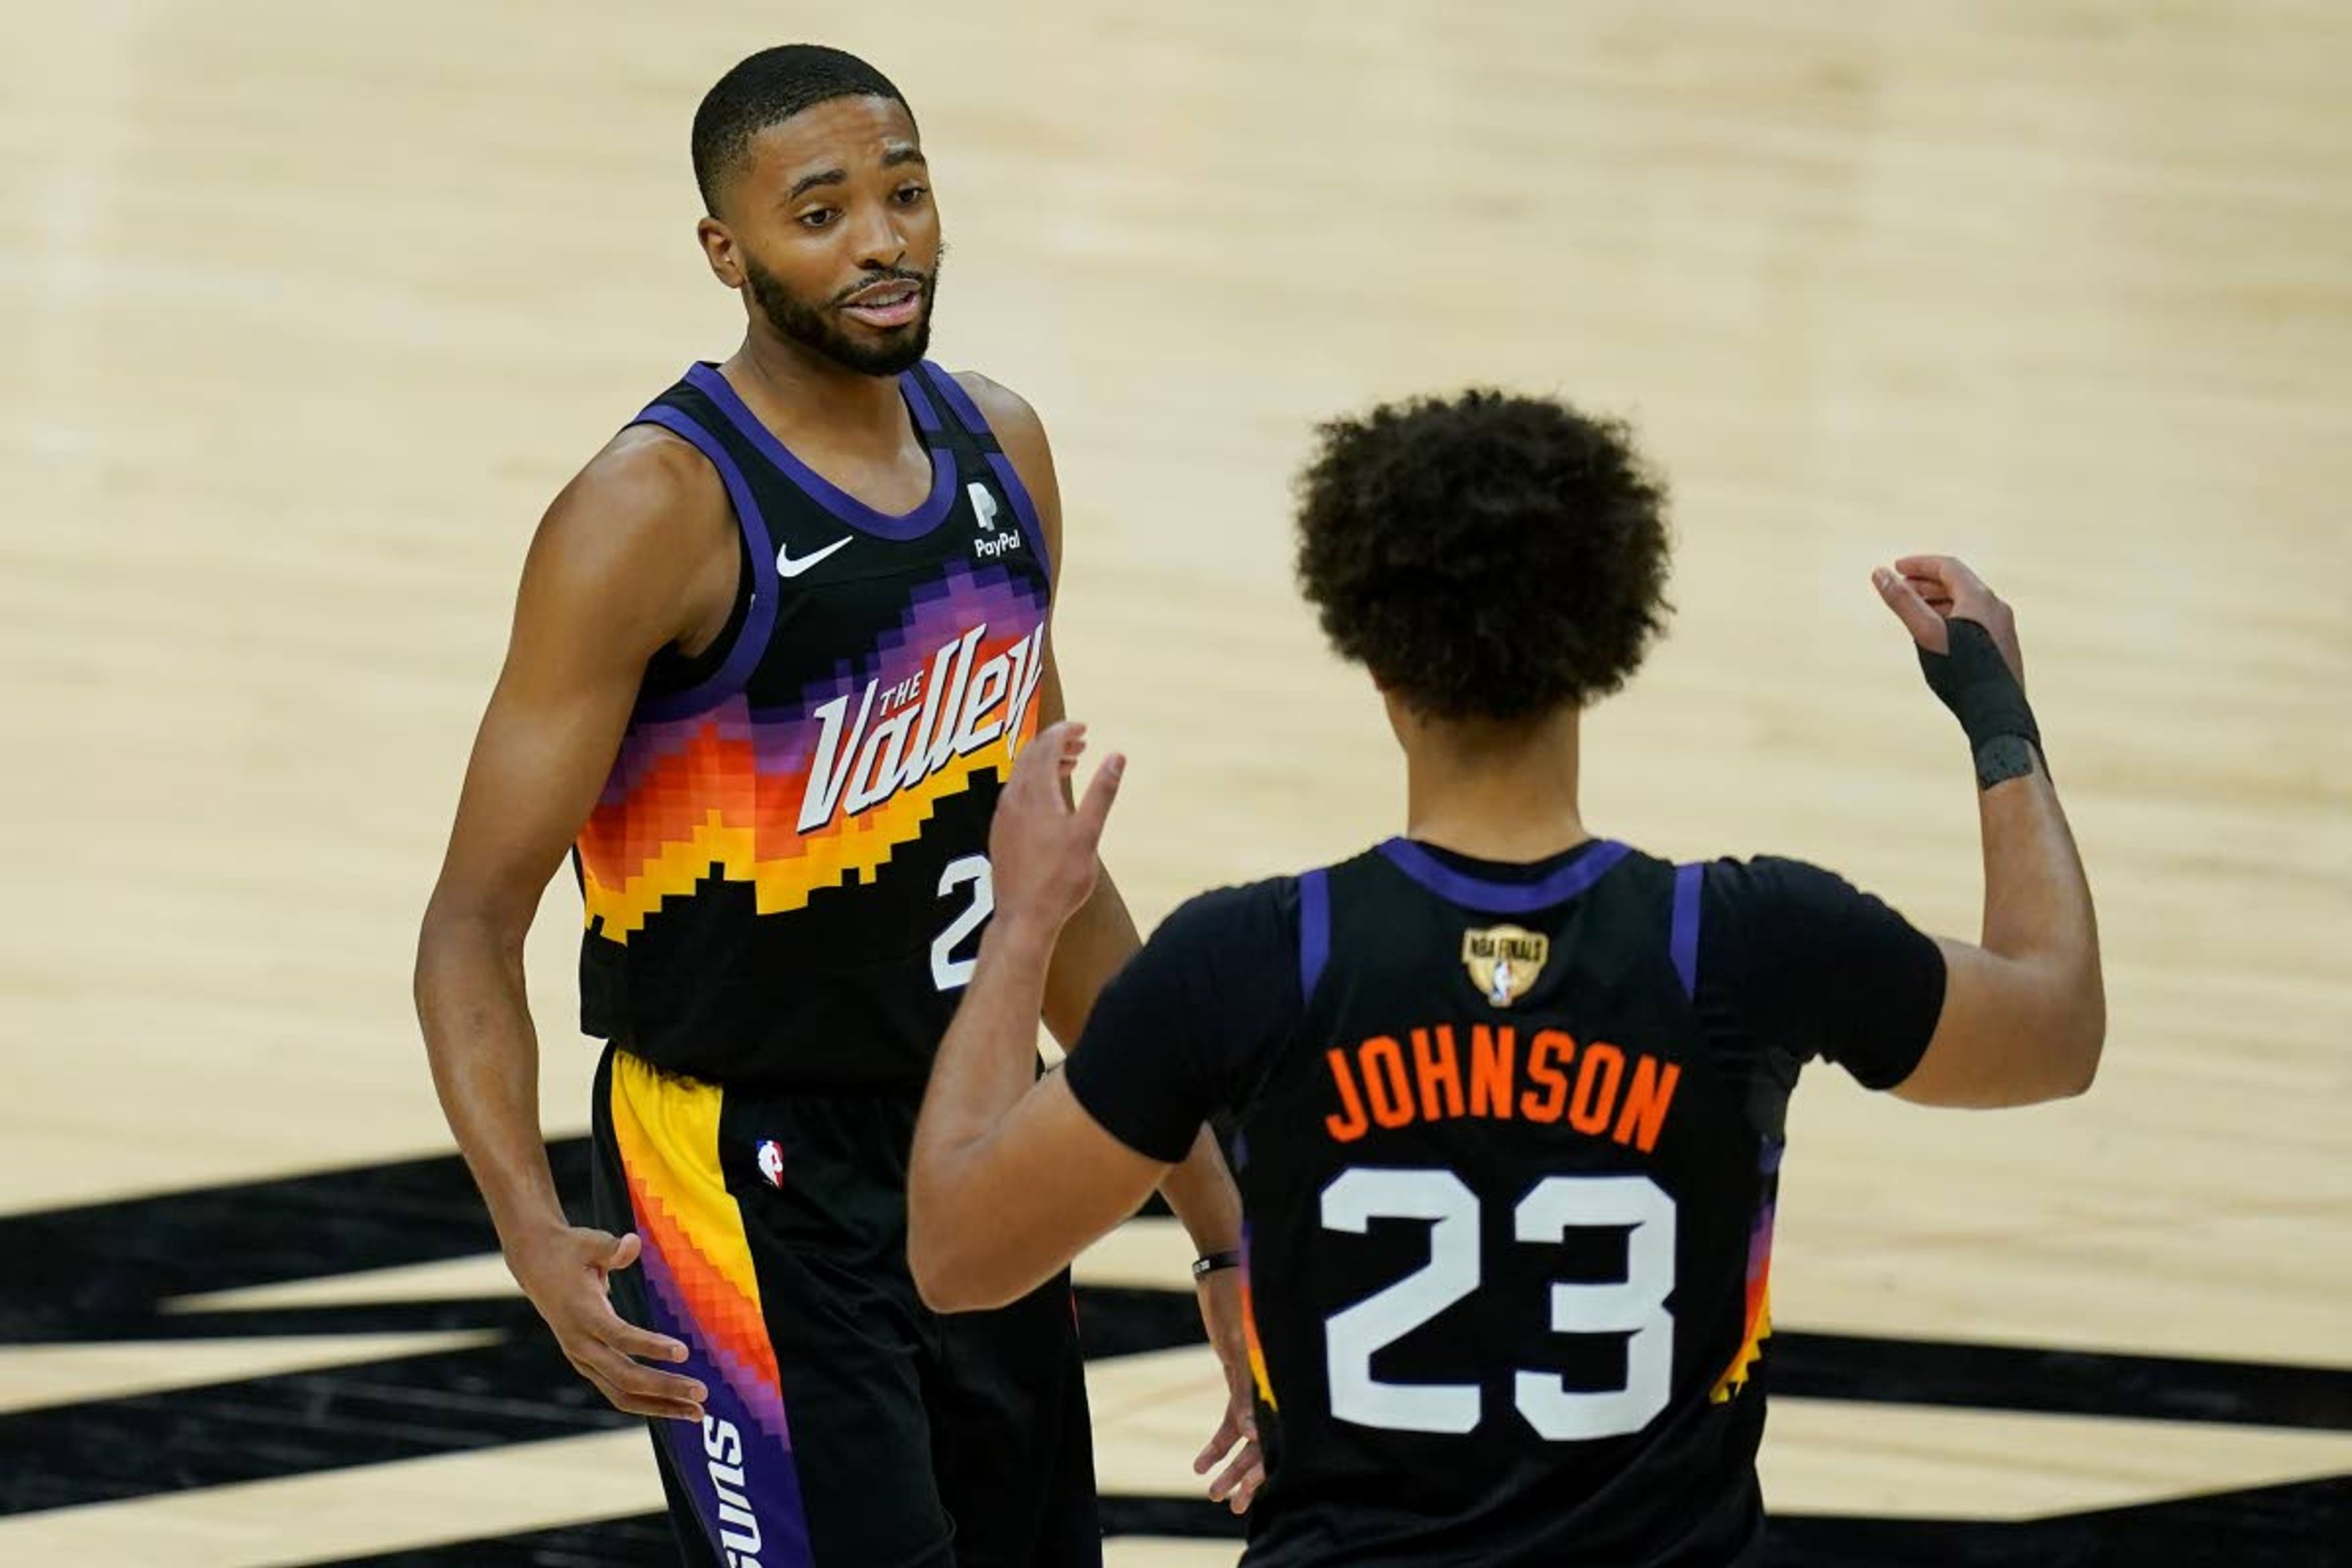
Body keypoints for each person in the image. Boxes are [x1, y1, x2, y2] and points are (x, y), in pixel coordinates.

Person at [906, 390, 2103, 1566]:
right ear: (1608, 644)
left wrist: (1024, 924)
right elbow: (2055, 1024)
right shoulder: (1749, 940)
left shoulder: (1252, 958)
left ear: (1369, 646)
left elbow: (957, 1249)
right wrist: (1997, 711)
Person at [414, 44, 1258, 1568]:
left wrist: (1221, 1218)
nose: (884, 240)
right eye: (823, 212)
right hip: (739, 1169)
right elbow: (471, 925)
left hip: (974, 1133)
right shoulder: (648, 511)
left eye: (908, 193)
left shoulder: (1001, 447)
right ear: (726, 254)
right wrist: (531, 1230)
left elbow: (1050, 887)